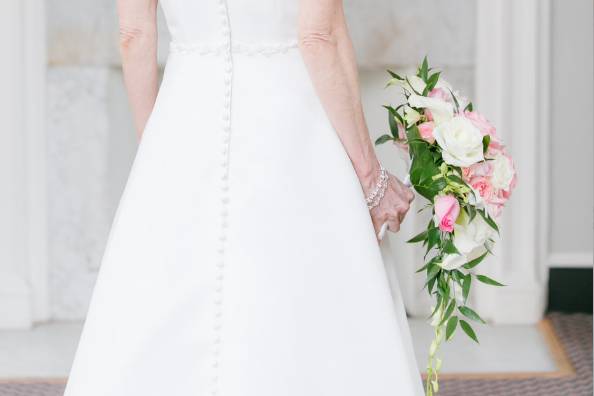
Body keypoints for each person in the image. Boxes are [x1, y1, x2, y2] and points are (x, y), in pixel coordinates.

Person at [64, 0, 423, 395]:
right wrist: (371, 178)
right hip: (291, 122)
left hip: (187, 111)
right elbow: (320, 36)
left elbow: (134, 36)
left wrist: (157, 149)